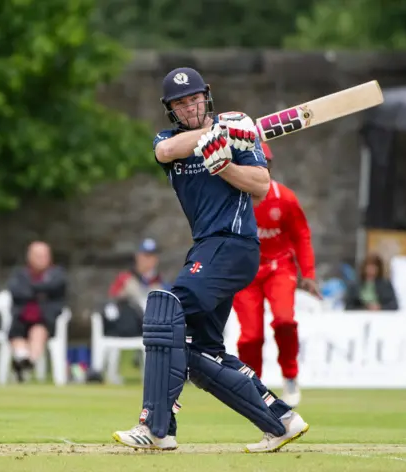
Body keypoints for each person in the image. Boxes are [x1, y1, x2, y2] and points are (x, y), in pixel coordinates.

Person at [112, 67, 308, 453]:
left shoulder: (240, 137)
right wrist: (213, 134)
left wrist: (225, 164)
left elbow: (261, 185)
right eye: (180, 103)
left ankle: (155, 427)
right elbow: (165, 152)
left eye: (194, 99)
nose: (189, 107)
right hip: (206, 246)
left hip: (233, 244)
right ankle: (282, 420)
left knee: (164, 311)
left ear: (207, 95)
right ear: (171, 110)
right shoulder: (170, 139)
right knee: (202, 353)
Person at [232, 142, 320, 408]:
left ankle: (290, 376)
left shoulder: (285, 199)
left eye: (263, 165)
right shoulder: (234, 198)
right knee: (251, 337)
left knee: (284, 321)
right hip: (245, 272)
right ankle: (253, 386)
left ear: (268, 167)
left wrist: (309, 274)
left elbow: (301, 236)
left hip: (279, 267)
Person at [7, 241, 68, 382]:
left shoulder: (57, 274)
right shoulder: (20, 274)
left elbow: (54, 287)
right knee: (16, 334)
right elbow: (16, 291)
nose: (42, 259)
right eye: (38, 256)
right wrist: (39, 291)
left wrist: (31, 290)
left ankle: (28, 362)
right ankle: (23, 359)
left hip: (45, 318)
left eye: (44, 256)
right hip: (21, 317)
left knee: (38, 331)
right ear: (30, 257)